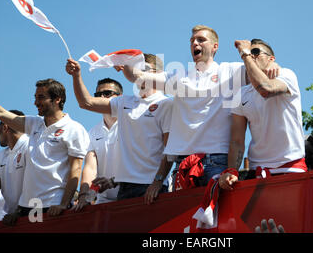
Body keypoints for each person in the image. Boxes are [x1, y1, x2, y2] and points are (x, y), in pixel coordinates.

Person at [115, 25, 279, 197]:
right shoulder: (179, 76)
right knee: (184, 223)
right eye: (192, 40)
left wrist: (272, 63)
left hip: (218, 162)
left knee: (216, 221)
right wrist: (125, 65)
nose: (195, 43)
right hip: (183, 165)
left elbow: (262, 70)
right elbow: (138, 77)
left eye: (201, 40)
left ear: (215, 46)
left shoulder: (231, 71)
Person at [66, 53, 173, 203]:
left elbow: (170, 149)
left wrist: (158, 181)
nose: (139, 73)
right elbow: (86, 103)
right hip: (124, 189)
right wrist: (76, 75)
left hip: (151, 188)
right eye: (136, 69)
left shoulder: (166, 104)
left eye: (144, 69)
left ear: (159, 74)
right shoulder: (123, 102)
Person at [0, 79, 89, 225]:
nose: (35, 102)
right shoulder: (34, 124)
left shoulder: (74, 129)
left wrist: (63, 204)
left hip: (53, 206)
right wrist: (19, 210)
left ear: (57, 99)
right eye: (35, 97)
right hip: (28, 207)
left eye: (41, 97)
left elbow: (76, 170)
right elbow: (0, 112)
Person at [219, 39, 307, 190]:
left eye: (256, 52)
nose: (251, 55)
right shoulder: (240, 94)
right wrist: (232, 170)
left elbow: (266, 89)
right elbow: (237, 141)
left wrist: (245, 54)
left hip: (291, 168)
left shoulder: (287, 75)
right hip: (258, 171)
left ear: (271, 59)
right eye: (250, 52)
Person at [72, 78, 123, 212]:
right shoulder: (93, 132)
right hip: (104, 201)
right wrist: (84, 196)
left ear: (120, 97)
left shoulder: (131, 122)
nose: (102, 97)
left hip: (132, 195)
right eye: (98, 95)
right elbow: (90, 168)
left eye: (107, 93)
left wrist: (114, 180)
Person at [0, 110, 29, 218]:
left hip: (34, 215)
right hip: (11, 218)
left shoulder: (30, 147)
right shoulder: (1, 155)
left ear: (5, 127)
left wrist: (20, 212)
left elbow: (37, 185)